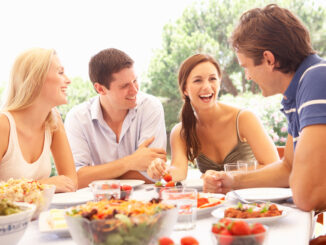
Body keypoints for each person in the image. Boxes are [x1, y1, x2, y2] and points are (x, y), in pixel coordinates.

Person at [203, 4, 326, 212]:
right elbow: (288, 167)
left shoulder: (317, 79)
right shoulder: (299, 91)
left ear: (269, 59)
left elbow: (307, 196)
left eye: (246, 67)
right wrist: (230, 181)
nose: (248, 76)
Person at [147, 53, 279, 181]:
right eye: (198, 80)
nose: (207, 86)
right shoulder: (181, 131)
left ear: (219, 83)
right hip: (215, 202)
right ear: (185, 89)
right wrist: (161, 170)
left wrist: (223, 175)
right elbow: (179, 172)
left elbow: (273, 165)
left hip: (254, 199)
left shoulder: (244, 119)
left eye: (212, 79)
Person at [64, 48, 167, 188]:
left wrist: (96, 174)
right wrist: (130, 162)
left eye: (135, 81)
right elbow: (75, 179)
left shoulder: (150, 107)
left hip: (145, 201)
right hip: (98, 203)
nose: (135, 90)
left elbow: (153, 175)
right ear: (100, 89)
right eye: (124, 86)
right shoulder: (77, 118)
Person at [0, 48, 78, 192]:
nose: (68, 80)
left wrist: (37, 187)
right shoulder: (3, 125)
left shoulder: (53, 121)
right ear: (37, 78)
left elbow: (71, 181)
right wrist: (43, 185)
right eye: (60, 73)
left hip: (39, 214)